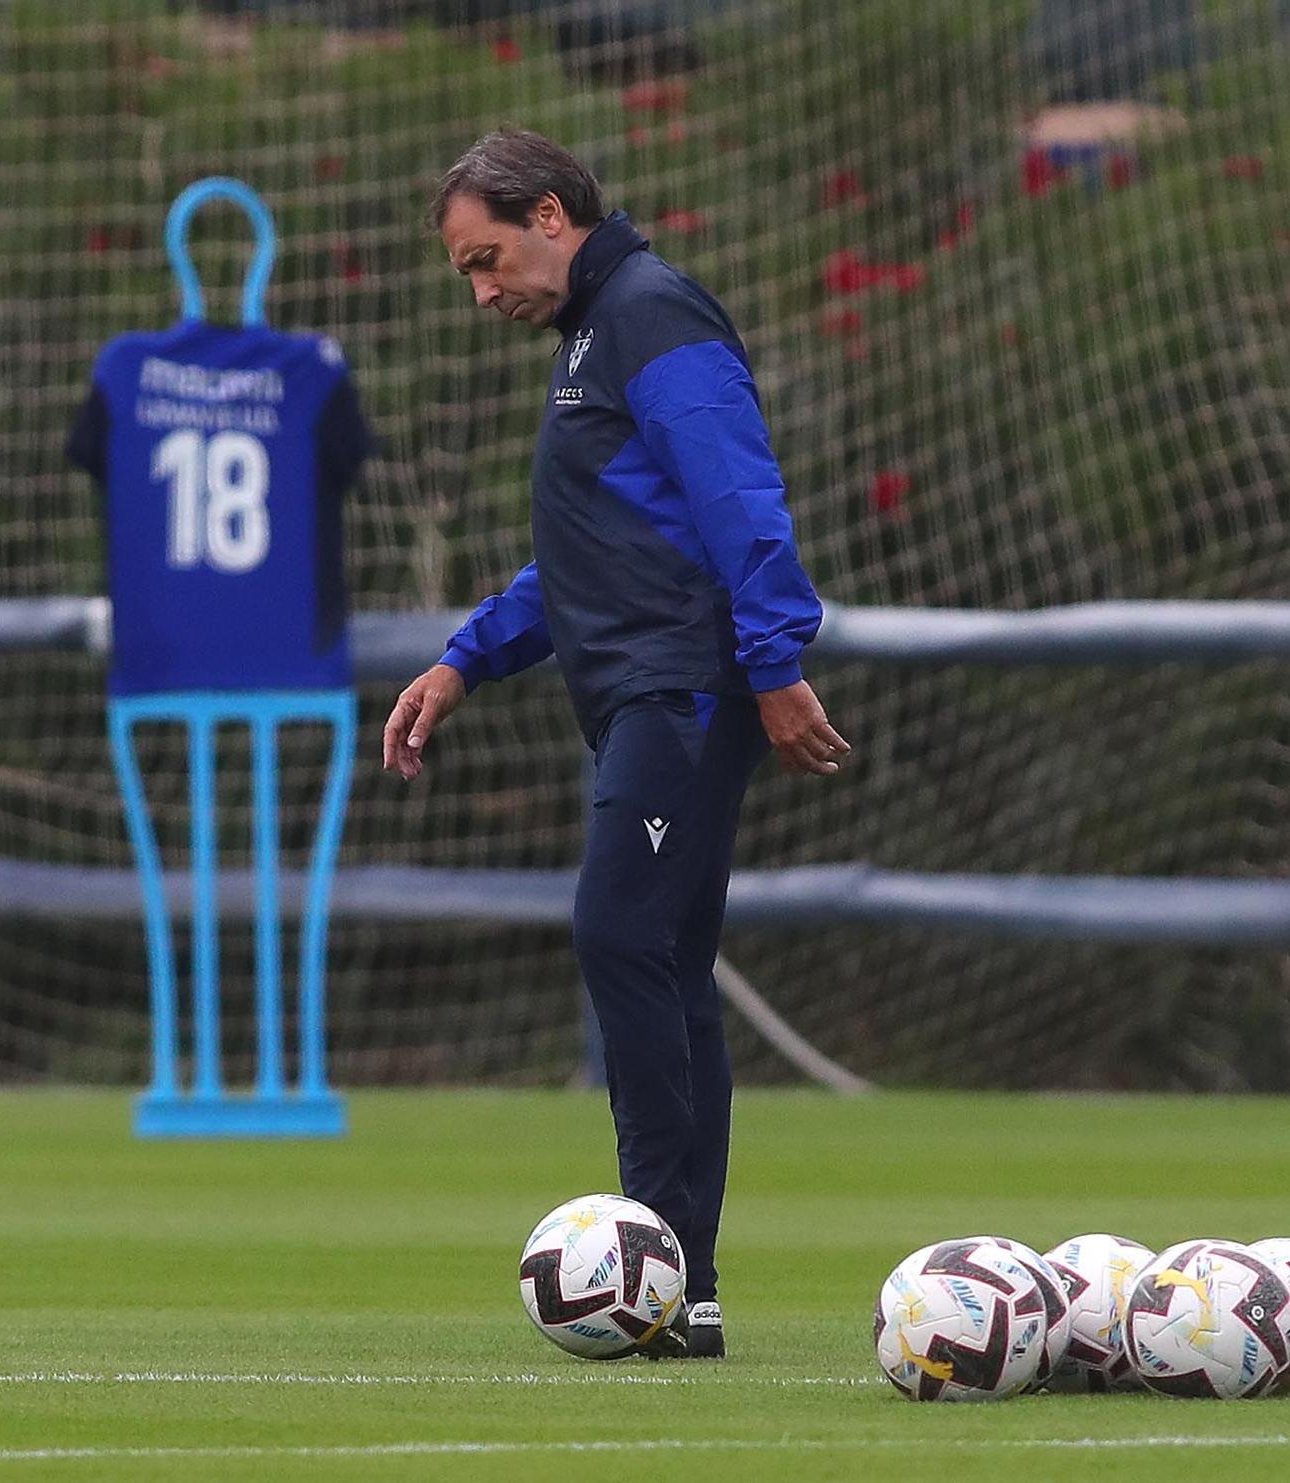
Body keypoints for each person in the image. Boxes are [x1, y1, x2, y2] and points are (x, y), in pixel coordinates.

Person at [382, 128, 850, 1358]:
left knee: (619, 931)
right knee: (668, 960)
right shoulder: (594, 332)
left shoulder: (649, 311)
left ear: (549, 214)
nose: (482, 294)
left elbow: (737, 493)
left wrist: (776, 662)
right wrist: (464, 656)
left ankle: (653, 1255)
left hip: (683, 690)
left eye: (486, 260)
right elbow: (594, 548)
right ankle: (683, 1290)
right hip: (653, 688)